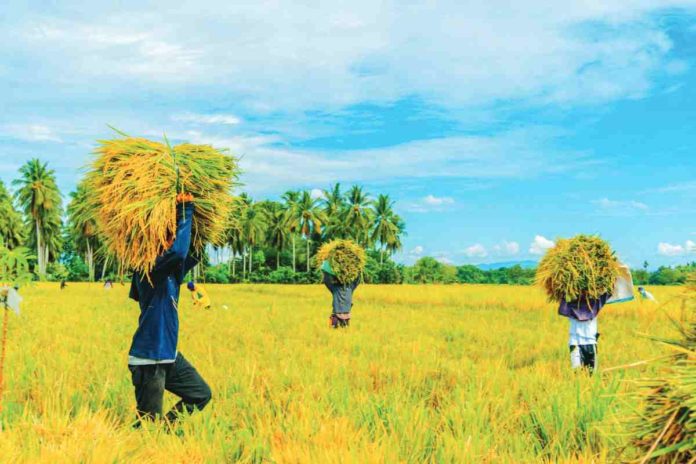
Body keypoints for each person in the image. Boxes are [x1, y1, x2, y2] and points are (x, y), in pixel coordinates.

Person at [127, 193, 211, 426]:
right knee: (147, 425)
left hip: (169, 356)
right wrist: (185, 209)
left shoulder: (170, 275)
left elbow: (190, 253)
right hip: (149, 359)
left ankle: (164, 433)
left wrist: (203, 225)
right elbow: (178, 253)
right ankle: (145, 442)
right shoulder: (149, 270)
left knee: (200, 394)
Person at [558, 294, 610, 374]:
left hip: (585, 344)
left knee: (588, 373)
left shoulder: (572, 306)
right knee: (580, 373)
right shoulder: (595, 304)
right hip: (578, 345)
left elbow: (561, 308)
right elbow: (608, 293)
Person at [322, 261, 360, 329]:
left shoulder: (337, 288)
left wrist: (325, 271)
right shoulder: (348, 287)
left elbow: (326, 280)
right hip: (340, 315)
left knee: (339, 334)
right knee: (340, 334)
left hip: (342, 316)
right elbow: (357, 281)